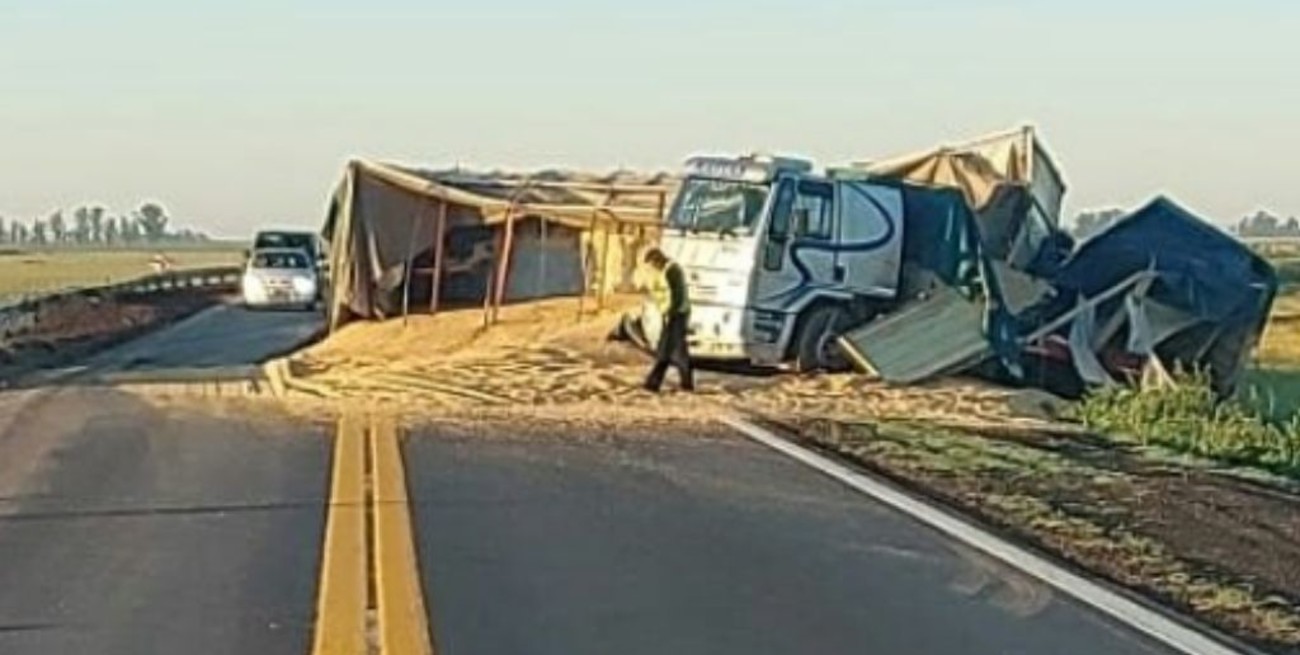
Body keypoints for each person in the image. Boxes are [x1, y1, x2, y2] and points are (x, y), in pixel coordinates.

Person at [643, 247, 695, 392]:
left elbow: (676, 295)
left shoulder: (672, 270)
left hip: (677, 314)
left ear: (657, 259)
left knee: (670, 349)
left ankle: (654, 383)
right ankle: (682, 383)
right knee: (673, 350)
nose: (653, 267)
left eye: (653, 264)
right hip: (673, 313)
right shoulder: (668, 270)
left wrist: (670, 312)